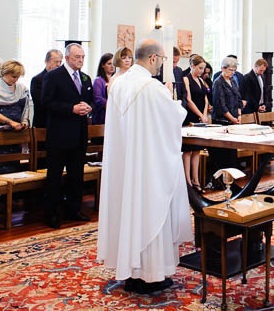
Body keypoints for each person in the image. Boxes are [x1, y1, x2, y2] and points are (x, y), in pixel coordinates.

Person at [97, 39, 191, 295]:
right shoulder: (151, 87)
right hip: (149, 165)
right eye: (161, 60)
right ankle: (150, 275)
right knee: (151, 212)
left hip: (124, 163)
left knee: (127, 210)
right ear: (153, 59)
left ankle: (130, 271)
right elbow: (172, 120)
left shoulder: (119, 83)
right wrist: (175, 102)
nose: (161, 64)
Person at [41, 44, 94, 229]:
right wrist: (71, 108)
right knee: (55, 176)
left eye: (83, 57)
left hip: (79, 134)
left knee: (76, 174)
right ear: (67, 58)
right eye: (77, 57)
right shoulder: (54, 76)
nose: (80, 60)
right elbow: (46, 103)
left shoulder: (85, 78)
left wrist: (89, 107)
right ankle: (52, 213)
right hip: (59, 133)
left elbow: (91, 99)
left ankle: (74, 209)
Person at [0, 60, 31, 173]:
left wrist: (24, 121)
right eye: (13, 76)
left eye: (18, 77)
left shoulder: (21, 88)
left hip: (16, 133)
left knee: (14, 167)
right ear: (4, 73)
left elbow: (25, 107)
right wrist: (10, 122)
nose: (15, 79)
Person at [208, 56, 243, 188]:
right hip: (222, 121)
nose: (233, 72)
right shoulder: (218, 82)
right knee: (223, 154)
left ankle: (232, 181)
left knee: (232, 153)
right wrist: (232, 119)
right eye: (230, 70)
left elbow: (239, 99)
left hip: (233, 121)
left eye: (234, 70)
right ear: (223, 68)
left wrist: (239, 115)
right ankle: (221, 182)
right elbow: (220, 105)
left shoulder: (233, 81)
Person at [181, 55, 209, 192]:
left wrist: (204, 115)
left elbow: (205, 99)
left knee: (197, 150)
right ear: (192, 65)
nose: (202, 71)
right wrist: (199, 114)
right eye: (199, 68)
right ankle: (187, 182)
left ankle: (196, 180)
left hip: (200, 118)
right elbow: (189, 99)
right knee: (187, 151)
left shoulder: (201, 80)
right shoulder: (186, 79)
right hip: (190, 117)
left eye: (203, 68)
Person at [30, 49, 62, 128]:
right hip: (43, 123)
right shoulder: (37, 79)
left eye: (60, 62)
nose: (58, 65)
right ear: (47, 61)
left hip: (59, 122)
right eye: (56, 62)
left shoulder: (62, 79)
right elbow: (41, 103)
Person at [92, 53, 114, 125]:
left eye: (113, 64)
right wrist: (113, 105)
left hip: (114, 116)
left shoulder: (116, 79)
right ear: (102, 65)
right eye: (109, 64)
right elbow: (98, 99)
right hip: (101, 117)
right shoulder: (98, 80)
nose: (112, 66)